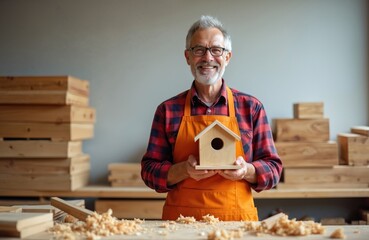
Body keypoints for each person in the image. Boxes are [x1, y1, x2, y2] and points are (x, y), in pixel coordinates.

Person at [141, 15, 282, 221]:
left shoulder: (250, 108)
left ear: (227, 57)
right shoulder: (168, 110)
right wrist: (183, 170)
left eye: (216, 50)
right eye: (199, 50)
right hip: (180, 225)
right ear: (187, 57)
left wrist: (246, 170)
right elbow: (148, 172)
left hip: (237, 225)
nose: (207, 58)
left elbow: (274, 170)